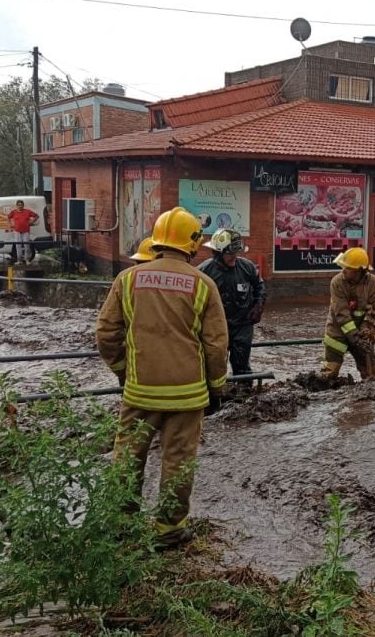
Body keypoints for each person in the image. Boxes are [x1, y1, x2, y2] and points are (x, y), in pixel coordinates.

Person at [96, 206, 228, 548]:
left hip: (140, 392)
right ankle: (169, 530)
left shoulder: (127, 280)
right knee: (178, 461)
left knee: (127, 456)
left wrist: (125, 372)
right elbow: (215, 345)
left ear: (156, 241)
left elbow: (107, 334)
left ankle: (121, 524)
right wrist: (216, 388)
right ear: (194, 243)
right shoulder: (204, 285)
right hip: (188, 396)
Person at [198, 229, 266, 377]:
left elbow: (259, 286)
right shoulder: (204, 271)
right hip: (215, 326)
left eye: (237, 252)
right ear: (218, 253)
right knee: (213, 364)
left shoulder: (247, 267)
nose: (235, 257)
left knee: (241, 366)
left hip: (242, 324)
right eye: (230, 254)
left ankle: (244, 394)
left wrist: (258, 305)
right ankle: (216, 395)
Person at [321, 247, 375, 381]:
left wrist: (365, 331)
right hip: (337, 332)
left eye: (347, 268)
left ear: (359, 271)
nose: (343, 270)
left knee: (371, 375)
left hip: (362, 333)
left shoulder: (374, 284)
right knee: (329, 374)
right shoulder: (337, 282)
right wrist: (355, 338)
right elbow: (342, 314)